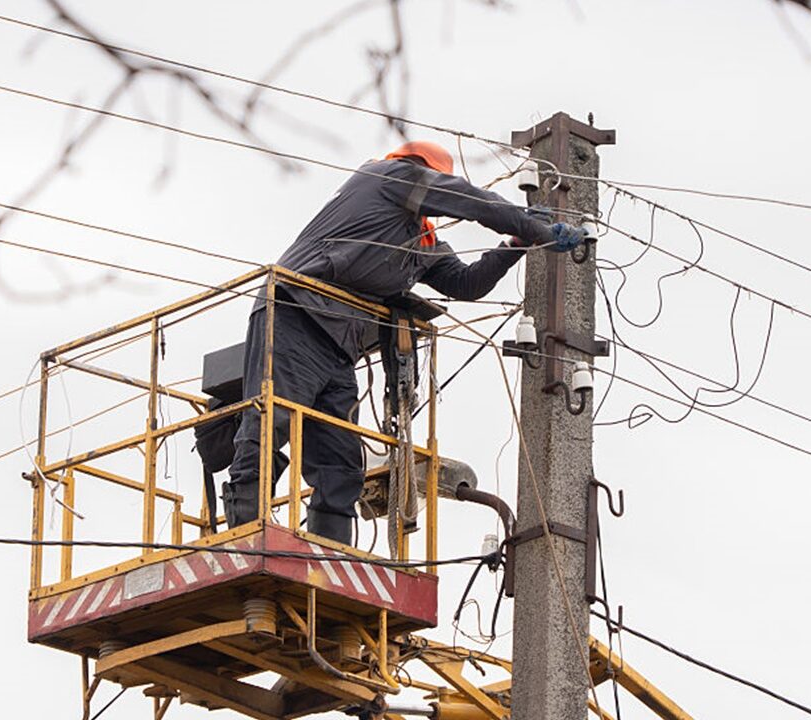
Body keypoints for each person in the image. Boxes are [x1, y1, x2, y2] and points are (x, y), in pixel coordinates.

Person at [223, 141, 586, 544]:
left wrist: (517, 244)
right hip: (294, 312)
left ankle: (330, 552)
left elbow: (464, 284)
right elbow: (473, 202)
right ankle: (245, 536)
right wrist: (530, 224)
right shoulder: (388, 176)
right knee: (271, 422)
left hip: (338, 346)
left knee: (340, 461)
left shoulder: (418, 239)